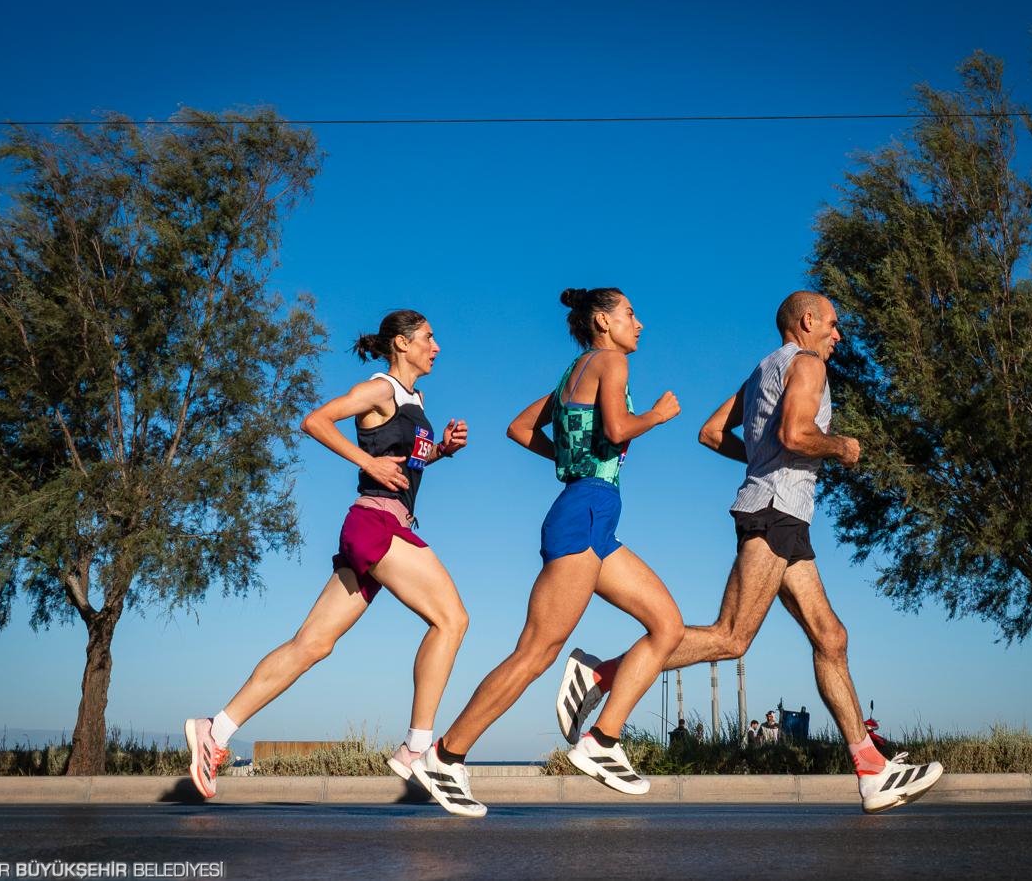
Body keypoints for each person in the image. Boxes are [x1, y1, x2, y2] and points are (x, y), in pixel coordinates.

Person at [556, 291, 944, 814]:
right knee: (731, 637)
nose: (837, 335)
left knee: (831, 637)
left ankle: (871, 770)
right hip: (776, 514)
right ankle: (602, 673)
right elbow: (796, 432)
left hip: (781, 514)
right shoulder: (807, 366)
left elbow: (712, 433)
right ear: (807, 321)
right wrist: (842, 447)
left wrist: (759, 459)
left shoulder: (764, 370)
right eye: (832, 325)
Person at [412, 287, 685, 818]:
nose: (640, 323)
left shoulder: (572, 374)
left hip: (593, 516)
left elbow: (519, 429)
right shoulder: (610, 362)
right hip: (583, 512)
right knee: (536, 651)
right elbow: (616, 429)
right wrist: (655, 415)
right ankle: (446, 755)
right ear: (603, 321)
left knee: (667, 626)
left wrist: (569, 457)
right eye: (631, 313)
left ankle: (602, 742)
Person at [183, 310, 470, 798]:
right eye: (428, 337)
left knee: (311, 645)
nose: (436, 346)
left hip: (380, 528)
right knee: (452, 620)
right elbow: (315, 420)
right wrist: (367, 463)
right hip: (376, 525)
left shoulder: (414, 400)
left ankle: (216, 730)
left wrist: (440, 450)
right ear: (401, 344)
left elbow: (404, 466)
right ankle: (418, 749)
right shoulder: (379, 389)